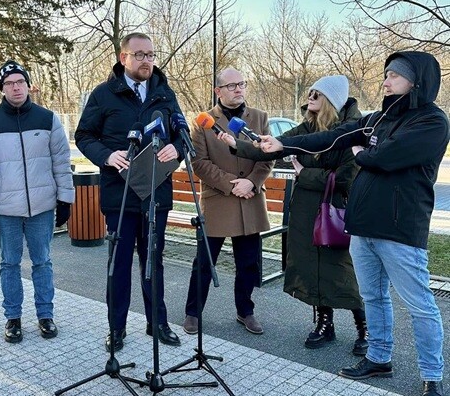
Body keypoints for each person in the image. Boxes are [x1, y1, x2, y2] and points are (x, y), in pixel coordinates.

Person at [258, 53, 447, 396]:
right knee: (372, 297)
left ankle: (433, 377)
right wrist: (284, 143)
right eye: (386, 75)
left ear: (415, 80)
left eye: (393, 75)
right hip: (362, 226)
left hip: (400, 230)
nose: (385, 81)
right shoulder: (380, 119)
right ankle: (378, 359)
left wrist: (362, 154)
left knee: (420, 305)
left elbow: (383, 158)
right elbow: (336, 135)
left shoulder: (432, 122)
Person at [221, 75, 368, 354]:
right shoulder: (307, 127)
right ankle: (325, 324)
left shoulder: (351, 130)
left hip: (335, 210)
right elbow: (274, 147)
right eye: (310, 93)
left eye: (316, 94)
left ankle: (365, 328)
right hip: (305, 211)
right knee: (313, 268)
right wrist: (235, 144)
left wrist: (305, 173)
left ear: (330, 100)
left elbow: (348, 176)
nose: (309, 98)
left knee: (343, 270)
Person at [75, 32, 184, 352]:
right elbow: (84, 135)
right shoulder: (104, 94)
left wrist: (175, 149)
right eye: (139, 54)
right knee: (119, 263)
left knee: (154, 262)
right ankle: (117, 327)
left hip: (155, 192)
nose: (147, 60)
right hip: (119, 195)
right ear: (124, 58)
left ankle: (158, 322)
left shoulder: (165, 94)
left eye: (151, 54)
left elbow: (182, 132)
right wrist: (107, 156)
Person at [0, 60, 73, 343]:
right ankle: (13, 318)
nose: (16, 88)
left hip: (42, 206)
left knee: (42, 262)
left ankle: (45, 316)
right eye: (9, 84)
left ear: (28, 85)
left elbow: (61, 162)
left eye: (20, 82)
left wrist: (65, 199)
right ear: (2, 89)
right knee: (9, 264)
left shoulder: (48, 119)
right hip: (6, 210)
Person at [182, 68, 273, 336]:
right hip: (220, 200)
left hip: (250, 200)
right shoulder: (203, 121)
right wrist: (232, 184)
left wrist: (252, 182)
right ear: (218, 91)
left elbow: (268, 157)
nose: (238, 90)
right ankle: (193, 313)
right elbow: (198, 162)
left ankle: (245, 311)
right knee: (204, 262)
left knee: (248, 262)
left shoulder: (259, 117)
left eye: (242, 84)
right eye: (231, 85)